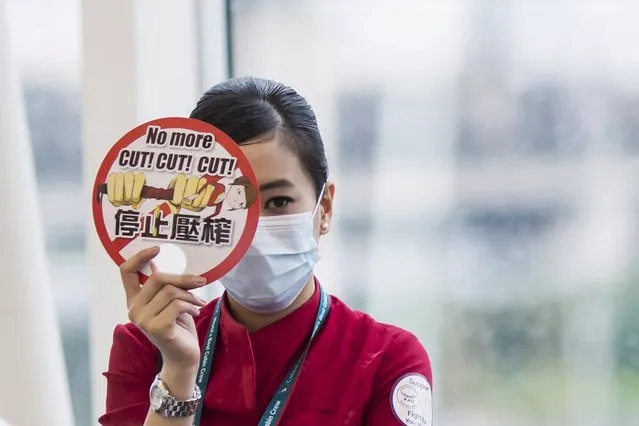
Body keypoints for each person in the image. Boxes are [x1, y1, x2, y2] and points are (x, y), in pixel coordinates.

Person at [99, 76, 433, 426]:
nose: (254, 230)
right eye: (230, 206)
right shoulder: (147, 348)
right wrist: (178, 375)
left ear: (326, 208)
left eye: (278, 202)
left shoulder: (386, 361)